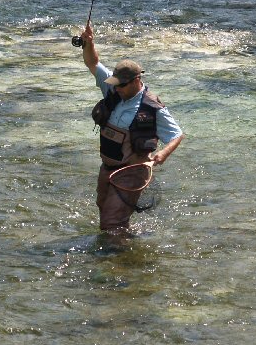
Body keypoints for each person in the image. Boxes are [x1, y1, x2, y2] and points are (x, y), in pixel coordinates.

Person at [79, 23, 184, 232]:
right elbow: (93, 63)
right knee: (106, 214)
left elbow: (177, 134)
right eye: (115, 84)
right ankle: (126, 253)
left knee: (112, 222)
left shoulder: (152, 107)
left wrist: (163, 153)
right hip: (107, 169)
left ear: (137, 80)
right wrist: (88, 44)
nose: (117, 88)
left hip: (132, 172)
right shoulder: (112, 88)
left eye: (122, 85)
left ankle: (116, 261)